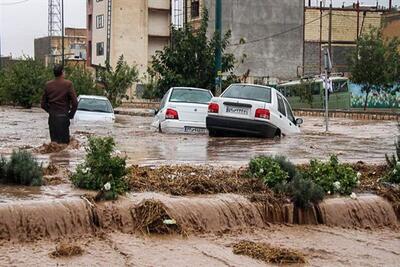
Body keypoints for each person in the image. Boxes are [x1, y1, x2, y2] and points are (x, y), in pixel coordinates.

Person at [41, 64, 78, 144]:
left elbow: (43, 104)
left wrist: (51, 111)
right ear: (62, 72)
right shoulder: (68, 84)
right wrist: (71, 115)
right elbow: (75, 103)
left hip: (52, 119)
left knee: (54, 145)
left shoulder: (48, 85)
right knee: (64, 146)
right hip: (63, 118)